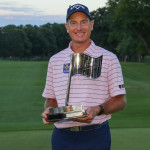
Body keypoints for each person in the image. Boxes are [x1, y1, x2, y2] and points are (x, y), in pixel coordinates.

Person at [41, 3, 126, 150]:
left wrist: (97, 109)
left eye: (83, 22)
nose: (79, 28)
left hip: (96, 136)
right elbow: (51, 99)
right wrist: (50, 111)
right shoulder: (55, 60)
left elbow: (120, 101)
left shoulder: (109, 58)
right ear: (67, 27)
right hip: (62, 137)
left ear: (91, 25)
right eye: (73, 23)